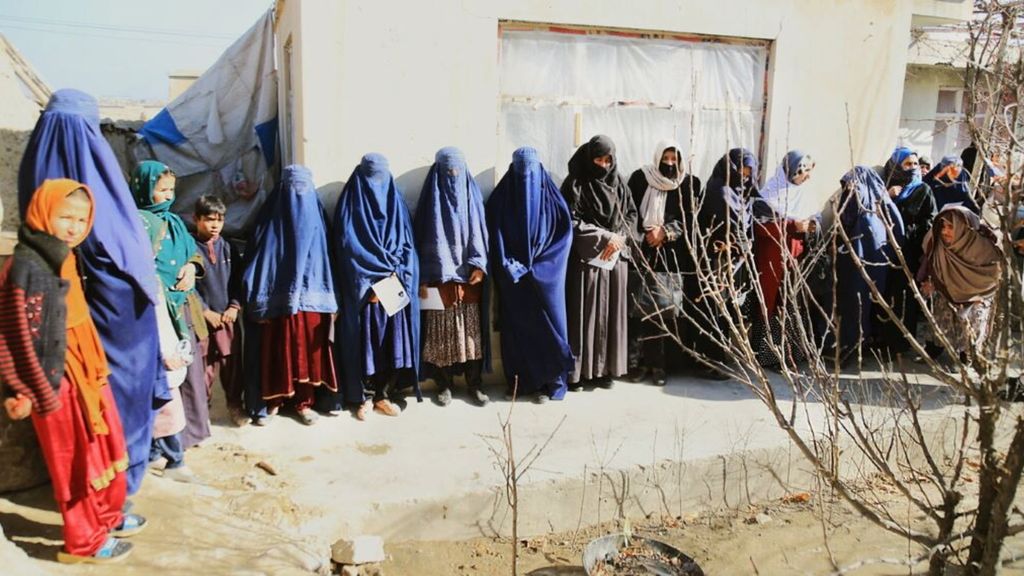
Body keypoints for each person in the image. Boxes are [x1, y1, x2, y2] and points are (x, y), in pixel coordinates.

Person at [18, 88, 167, 496]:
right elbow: (119, 247)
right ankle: (109, 496)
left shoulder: (37, 166)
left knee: (97, 404)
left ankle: (108, 493)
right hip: (97, 318)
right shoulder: (98, 179)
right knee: (102, 403)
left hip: (86, 314)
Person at [1, 180, 145, 564]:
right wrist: (34, 391)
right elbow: (16, 336)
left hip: (85, 369)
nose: (74, 227)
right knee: (73, 461)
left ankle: (107, 516)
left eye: (82, 219)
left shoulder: (60, 255)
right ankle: (83, 542)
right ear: (43, 212)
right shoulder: (28, 266)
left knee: (101, 447)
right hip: (55, 379)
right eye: (65, 217)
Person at [241, 165, 338, 425]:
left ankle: (304, 403)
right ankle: (274, 400)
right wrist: (257, 300)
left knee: (308, 353)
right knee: (280, 350)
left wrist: (332, 299)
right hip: (278, 301)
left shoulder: (318, 220)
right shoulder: (269, 220)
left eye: (304, 188)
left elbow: (328, 260)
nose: (299, 195)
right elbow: (258, 260)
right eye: (294, 188)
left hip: (312, 300)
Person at [331, 154, 421, 420]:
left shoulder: (397, 205)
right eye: (372, 178)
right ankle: (364, 397)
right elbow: (348, 247)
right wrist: (371, 284)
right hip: (365, 292)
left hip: (392, 288)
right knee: (364, 344)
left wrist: (394, 275)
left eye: (381, 178)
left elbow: (407, 245)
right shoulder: (351, 206)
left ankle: (384, 393)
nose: (377, 185)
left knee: (391, 343)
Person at [130, 161, 210, 449]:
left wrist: (190, 268)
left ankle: (193, 434)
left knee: (191, 375)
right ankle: (164, 445)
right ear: (143, 188)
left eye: (171, 190)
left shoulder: (174, 221)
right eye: (161, 189)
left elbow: (193, 254)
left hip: (184, 308)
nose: (168, 196)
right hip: (156, 313)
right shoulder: (136, 222)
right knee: (165, 378)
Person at [486, 147, 574, 402]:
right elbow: (495, 236)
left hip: (547, 280)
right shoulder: (501, 200)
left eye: (530, 171)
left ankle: (552, 382)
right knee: (518, 331)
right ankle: (523, 382)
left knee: (552, 327)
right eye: (521, 171)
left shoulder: (553, 200)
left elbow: (563, 238)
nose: (526, 178)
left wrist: (540, 269)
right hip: (515, 281)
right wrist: (510, 266)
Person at [413, 147, 490, 407]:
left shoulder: (471, 194)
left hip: (468, 278)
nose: (453, 175)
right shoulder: (430, 200)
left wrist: (479, 264)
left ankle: (474, 384)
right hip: (439, 277)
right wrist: (423, 277)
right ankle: (443, 384)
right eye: (448, 170)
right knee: (440, 335)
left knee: (471, 336)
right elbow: (422, 236)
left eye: (457, 169)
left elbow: (480, 228)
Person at [561, 135, 638, 391]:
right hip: (588, 262)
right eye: (598, 159)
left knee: (610, 316)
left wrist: (621, 238)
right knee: (585, 317)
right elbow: (569, 221)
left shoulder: (621, 185)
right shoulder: (575, 183)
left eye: (608, 160)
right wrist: (605, 237)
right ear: (588, 158)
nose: (604, 165)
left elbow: (631, 216)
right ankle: (579, 373)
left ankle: (604, 370)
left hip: (615, 262)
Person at [625, 140, 700, 386]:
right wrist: (642, 237)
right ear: (657, 158)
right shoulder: (640, 178)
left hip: (671, 255)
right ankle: (636, 364)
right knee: (638, 310)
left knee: (664, 311)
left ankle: (660, 366)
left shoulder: (688, 184)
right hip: (642, 252)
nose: (669, 164)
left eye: (674, 159)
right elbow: (629, 211)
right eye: (665, 158)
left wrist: (666, 232)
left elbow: (691, 219)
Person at [690, 148, 759, 380]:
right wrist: (743, 245)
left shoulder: (742, 191)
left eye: (750, 171)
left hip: (733, 259)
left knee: (726, 308)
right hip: (716, 258)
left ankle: (719, 356)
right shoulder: (719, 190)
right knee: (715, 309)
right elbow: (731, 225)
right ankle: (711, 360)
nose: (746, 176)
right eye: (742, 170)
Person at [750, 150, 821, 368]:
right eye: (804, 172)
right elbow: (759, 227)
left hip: (796, 259)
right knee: (770, 303)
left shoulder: (805, 194)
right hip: (772, 258)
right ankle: (768, 356)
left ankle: (791, 355)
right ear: (792, 171)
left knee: (792, 304)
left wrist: (811, 226)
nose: (807, 177)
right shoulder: (768, 196)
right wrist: (792, 226)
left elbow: (816, 220)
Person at [918, 205, 1002, 364]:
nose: (944, 231)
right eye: (943, 226)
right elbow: (934, 266)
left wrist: (980, 293)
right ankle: (933, 349)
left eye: (951, 227)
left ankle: (967, 356)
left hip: (977, 295)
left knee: (974, 317)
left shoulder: (984, 247)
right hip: (948, 291)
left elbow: (995, 273)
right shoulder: (939, 244)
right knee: (941, 311)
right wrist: (932, 282)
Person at [835, 166, 905, 356]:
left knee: (855, 303)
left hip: (859, 265)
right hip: (877, 266)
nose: (849, 190)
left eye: (852, 185)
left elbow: (845, 226)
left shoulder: (865, 213)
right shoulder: (880, 205)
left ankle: (853, 346)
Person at [192, 195, 247, 426]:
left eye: (220, 220)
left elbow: (238, 281)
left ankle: (235, 405)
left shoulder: (229, 248)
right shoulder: (189, 248)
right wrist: (204, 311)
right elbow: (187, 286)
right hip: (202, 319)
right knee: (203, 368)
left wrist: (234, 307)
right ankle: (201, 414)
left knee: (231, 364)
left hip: (226, 318)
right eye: (209, 219)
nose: (215, 225)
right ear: (196, 219)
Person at [879, 147, 937, 353]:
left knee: (903, 296)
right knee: (883, 293)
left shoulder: (923, 190)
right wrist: (887, 197)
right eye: (907, 164)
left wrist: (911, 231)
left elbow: (930, 220)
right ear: (896, 167)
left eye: (915, 164)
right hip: (885, 251)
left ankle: (898, 344)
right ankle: (879, 340)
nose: (913, 169)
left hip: (909, 253)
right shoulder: (885, 187)